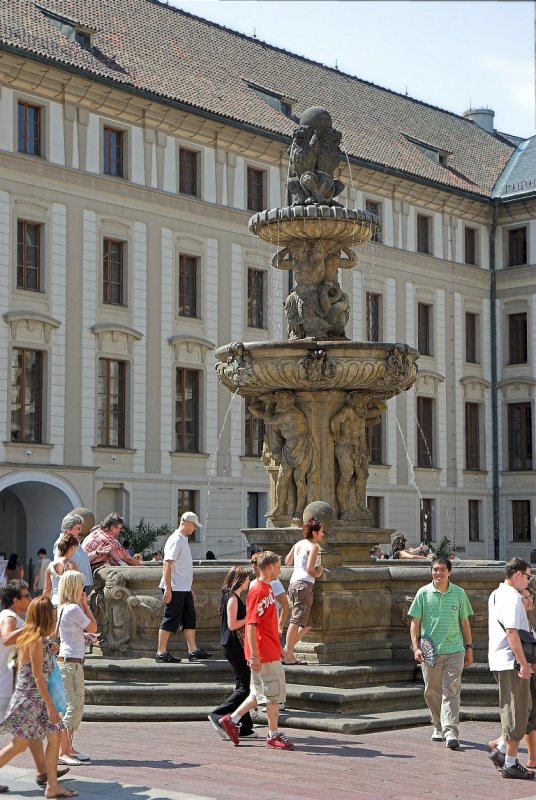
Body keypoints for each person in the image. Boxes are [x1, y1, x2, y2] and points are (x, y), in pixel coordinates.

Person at [211, 551, 294, 750]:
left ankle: (232, 720)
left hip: (268, 648)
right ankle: (273, 735)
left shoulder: (265, 588)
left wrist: (278, 646)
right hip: (263, 651)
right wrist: (255, 654)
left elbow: (266, 623)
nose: (281, 569)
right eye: (278, 565)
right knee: (272, 695)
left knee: (257, 693)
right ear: (270, 567)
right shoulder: (258, 590)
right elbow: (251, 624)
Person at [0, 595, 78, 798]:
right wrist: (51, 706)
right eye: (51, 613)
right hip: (32, 700)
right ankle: (52, 786)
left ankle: (52, 786)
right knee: (19, 745)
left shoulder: (37, 638)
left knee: (54, 737)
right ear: (45, 616)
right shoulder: (34, 639)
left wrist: (51, 649)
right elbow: (37, 675)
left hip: (35, 699)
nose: (54, 616)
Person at [408, 556, 474, 749]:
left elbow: (464, 622)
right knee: (432, 691)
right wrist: (416, 646)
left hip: (455, 651)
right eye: (435, 569)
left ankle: (451, 731)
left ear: (449, 572)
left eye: (442, 569)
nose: (438, 573)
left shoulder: (459, 593)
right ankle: (437, 724)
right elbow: (415, 622)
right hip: (430, 652)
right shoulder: (423, 593)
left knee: (451, 692)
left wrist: (469, 648)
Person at [487, 557, 535, 780]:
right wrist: (524, 664)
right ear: (517, 575)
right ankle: (510, 763)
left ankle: (502, 750)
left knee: (519, 708)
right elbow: (512, 632)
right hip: (512, 662)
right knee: (517, 711)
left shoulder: (496, 593)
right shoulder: (513, 597)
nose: (528, 581)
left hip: (500, 659)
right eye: (528, 576)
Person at [155, 512, 212, 664]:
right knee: (170, 618)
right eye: (194, 525)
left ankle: (193, 650)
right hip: (175, 587)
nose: (195, 529)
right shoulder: (176, 540)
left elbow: (180, 567)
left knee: (189, 618)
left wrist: (189, 587)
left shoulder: (182, 539)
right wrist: (168, 588)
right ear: (186, 523)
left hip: (182, 587)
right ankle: (161, 652)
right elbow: (167, 563)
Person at [208, 566, 255, 739]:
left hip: (232, 645)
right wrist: (249, 616)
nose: (249, 581)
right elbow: (232, 625)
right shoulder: (233, 598)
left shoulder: (230, 596)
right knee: (246, 687)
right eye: (247, 578)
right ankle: (218, 714)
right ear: (240, 580)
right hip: (233, 645)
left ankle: (246, 727)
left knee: (242, 685)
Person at [56, 571, 97, 767]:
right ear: (75, 587)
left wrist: (84, 637)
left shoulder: (64, 607)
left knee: (77, 705)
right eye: (81, 585)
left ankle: (69, 748)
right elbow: (93, 626)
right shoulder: (74, 608)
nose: (84, 589)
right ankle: (63, 751)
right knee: (72, 707)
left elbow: (70, 633)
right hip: (71, 663)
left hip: (70, 661)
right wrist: (86, 605)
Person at [283, 518, 324, 665]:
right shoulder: (314, 547)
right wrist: (319, 572)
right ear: (314, 532)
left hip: (293, 583)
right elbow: (310, 570)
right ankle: (288, 655)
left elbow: (287, 561)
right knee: (295, 620)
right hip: (304, 585)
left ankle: (286, 650)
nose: (322, 534)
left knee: (307, 624)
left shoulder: (298, 544)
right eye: (321, 532)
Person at [251, 551, 289, 640]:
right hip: (262, 634)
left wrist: (279, 626)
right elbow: (251, 622)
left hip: (270, 632)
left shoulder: (273, 584)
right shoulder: (256, 587)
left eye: (254, 562)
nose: (280, 571)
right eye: (278, 567)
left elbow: (285, 605)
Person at [53, 514, 93, 593]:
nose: (80, 531)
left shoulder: (74, 541)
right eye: (78, 528)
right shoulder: (61, 543)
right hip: (72, 587)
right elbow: (60, 565)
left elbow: (82, 558)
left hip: (81, 584)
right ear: (68, 529)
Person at [43, 535, 77, 608]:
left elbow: (46, 590)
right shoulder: (72, 565)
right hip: (68, 604)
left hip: (54, 603)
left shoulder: (50, 565)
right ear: (73, 547)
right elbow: (77, 588)